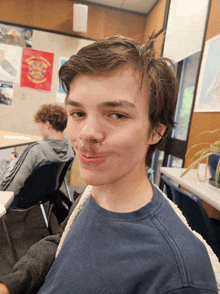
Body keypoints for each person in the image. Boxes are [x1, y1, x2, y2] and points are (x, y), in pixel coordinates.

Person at [0, 32, 219, 293]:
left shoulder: (180, 274)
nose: (85, 133)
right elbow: (63, 241)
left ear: (156, 131)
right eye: (78, 113)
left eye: (116, 114)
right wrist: (12, 283)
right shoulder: (95, 193)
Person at [0, 104, 74, 206]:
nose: (39, 129)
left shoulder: (35, 149)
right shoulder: (69, 149)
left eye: (40, 124)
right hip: (43, 194)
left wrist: (13, 163)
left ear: (47, 124)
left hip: (19, 197)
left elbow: (10, 187)